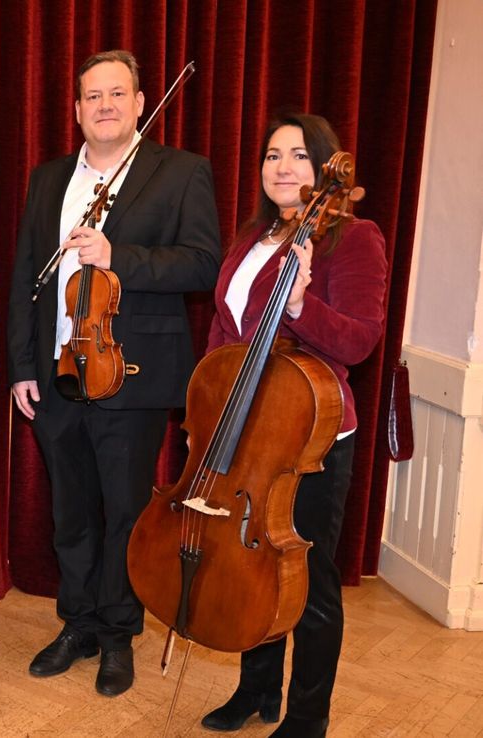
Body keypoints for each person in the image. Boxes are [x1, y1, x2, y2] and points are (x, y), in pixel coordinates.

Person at [6, 49, 221, 697]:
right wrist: (22, 365)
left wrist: (118, 255)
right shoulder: (49, 180)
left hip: (133, 373)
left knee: (125, 510)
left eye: (116, 94)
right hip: (59, 372)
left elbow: (202, 264)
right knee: (71, 511)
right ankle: (78, 622)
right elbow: (25, 280)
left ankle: (118, 634)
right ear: (76, 110)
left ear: (137, 102)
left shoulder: (181, 173)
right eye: (91, 96)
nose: (103, 105)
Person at [198, 113, 387, 738]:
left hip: (311, 438)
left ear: (323, 167)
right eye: (273, 155)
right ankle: (256, 692)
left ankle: (308, 717)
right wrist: (207, 406)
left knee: (307, 581)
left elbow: (359, 341)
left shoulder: (351, 237)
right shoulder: (251, 237)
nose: (283, 166)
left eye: (300, 156)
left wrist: (303, 304)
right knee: (252, 565)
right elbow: (227, 332)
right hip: (247, 430)